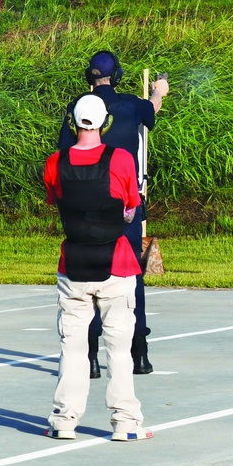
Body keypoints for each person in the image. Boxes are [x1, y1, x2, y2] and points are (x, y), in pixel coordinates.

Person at [44, 94, 152, 442]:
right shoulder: (120, 159)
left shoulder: (54, 162)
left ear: (73, 122)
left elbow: (57, 200)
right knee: (118, 350)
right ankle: (125, 423)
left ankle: (64, 421)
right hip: (117, 263)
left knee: (72, 348)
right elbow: (131, 208)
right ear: (105, 123)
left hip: (73, 263)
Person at [58, 50, 169, 377]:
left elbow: (63, 152)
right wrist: (157, 92)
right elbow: (152, 111)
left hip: (85, 207)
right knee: (131, 277)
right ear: (116, 76)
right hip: (124, 208)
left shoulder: (76, 110)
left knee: (89, 276)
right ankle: (140, 353)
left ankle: (90, 357)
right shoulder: (132, 104)